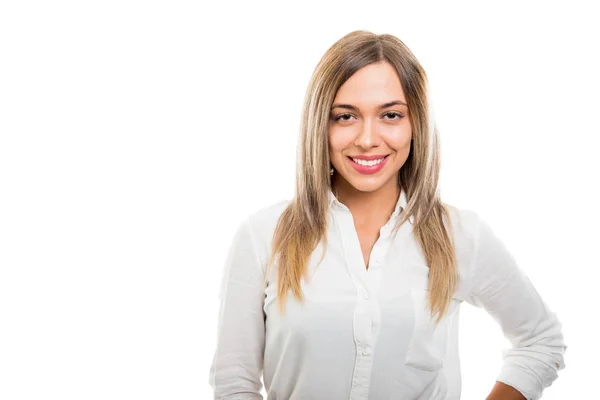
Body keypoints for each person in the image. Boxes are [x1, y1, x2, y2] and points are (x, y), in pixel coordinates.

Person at [208, 30, 567, 400]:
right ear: (321, 125)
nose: (367, 138)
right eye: (345, 116)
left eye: (391, 115)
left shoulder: (459, 235)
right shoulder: (263, 236)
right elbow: (235, 382)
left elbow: (540, 340)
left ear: (415, 124)